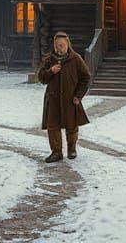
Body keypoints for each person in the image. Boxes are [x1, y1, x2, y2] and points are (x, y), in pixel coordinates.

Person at [37, 31, 91, 162]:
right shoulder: (49, 59)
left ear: (67, 45)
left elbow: (86, 78)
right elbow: (41, 78)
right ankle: (56, 152)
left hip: (70, 99)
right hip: (53, 99)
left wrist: (78, 96)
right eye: (56, 45)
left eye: (61, 45)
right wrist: (50, 71)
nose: (58, 48)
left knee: (71, 125)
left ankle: (71, 149)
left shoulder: (75, 59)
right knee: (52, 127)